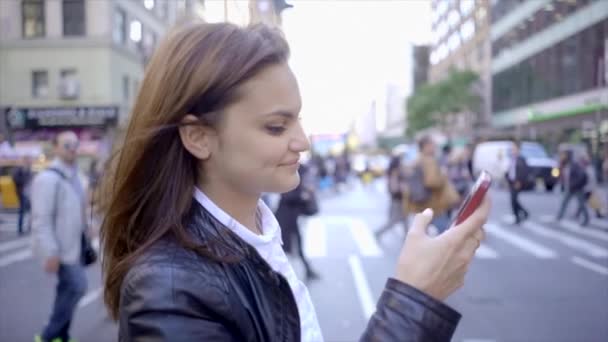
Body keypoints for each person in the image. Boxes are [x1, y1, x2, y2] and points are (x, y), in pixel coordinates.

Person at [99, 22, 490, 341]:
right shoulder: (171, 290)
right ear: (199, 136)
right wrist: (415, 303)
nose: (301, 142)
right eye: (276, 126)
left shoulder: (254, 239)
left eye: (298, 120)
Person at [31, 131, 88, 342]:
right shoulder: (47, 178)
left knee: (67, 290)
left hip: (76, 246)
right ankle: (48, 336)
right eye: (67, 145)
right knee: (77, 287)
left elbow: (79, 208)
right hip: (60, 249)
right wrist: (51, 252)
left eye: (75, 145)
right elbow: (40, 220)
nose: (72, 149)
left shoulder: (76, 176)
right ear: (55, 147)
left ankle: (61, 336)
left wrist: (87, 228)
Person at [406, 136, 460, 235]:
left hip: (421, 204)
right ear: (426, 146)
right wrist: (443, 175)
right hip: (433, 205)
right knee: (446, 233)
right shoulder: (429, 160)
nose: (435, 147)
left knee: (424, 233)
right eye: (433, 145)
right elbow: (431, 182)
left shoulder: (418, 159)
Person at [275, 163, 320, 281]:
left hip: (292, 219)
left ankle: (307, 270)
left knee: (296, 246)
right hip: (285, 220)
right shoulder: (288, 180)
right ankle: (277, 276)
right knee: (282, 248)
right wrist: (302, 196)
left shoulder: (296, 179)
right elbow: (286, 196)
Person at [374, 155, 408, 240]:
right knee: (394, 220)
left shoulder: (394, 172)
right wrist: (403, 187)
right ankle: (378, 232)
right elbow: (395, 188)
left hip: (398, 200)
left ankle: (407, 237)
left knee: (404, 219)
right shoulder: (394, 173)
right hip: (397, 200)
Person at [556, 150, 589, 226]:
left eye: (564, 155)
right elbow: (561, 174)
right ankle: (559, 217)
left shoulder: (574, 165)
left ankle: (586, 219)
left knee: (582, 204)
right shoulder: (565, 164)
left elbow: (581, 176)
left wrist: (575, 184)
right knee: (564, 203)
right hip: (570, 187)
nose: (563, 156)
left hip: (576, 188)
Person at [506, 142, 529, 225]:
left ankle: (519, 216)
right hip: (511, 182)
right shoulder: (512, 158)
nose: (513, 150)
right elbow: (510, 171)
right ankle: (522, 214)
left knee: (513, 199)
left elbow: (524, 172)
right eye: (512, 149)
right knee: (513, 200)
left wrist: (519, 181)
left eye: (514, 149)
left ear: (518, 150)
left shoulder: (522, 159)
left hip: (518, 182)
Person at [12, 155, 33, 235]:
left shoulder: (28, 169)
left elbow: (31, 179)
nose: (28, 162)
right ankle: (20, 228)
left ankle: (30, 226)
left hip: (29, 192)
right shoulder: (19, 169)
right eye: (27, 160)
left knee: (32, 210)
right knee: (22, 211)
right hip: (22, 192)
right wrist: (24, 180)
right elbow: (15, 179)